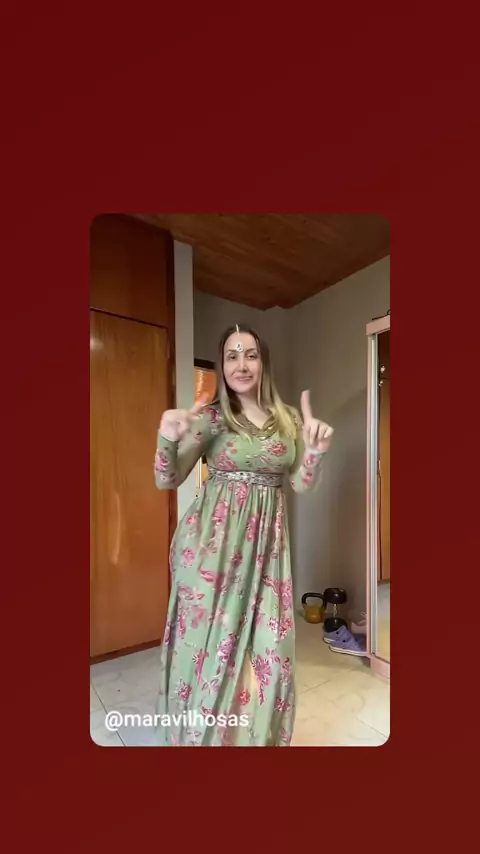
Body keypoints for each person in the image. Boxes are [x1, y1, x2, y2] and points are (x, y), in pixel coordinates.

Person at [153, 324, 333, 746]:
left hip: (268, 556)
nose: (241, 364)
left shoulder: (289, 420)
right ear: (222, 365)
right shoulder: (212, 419)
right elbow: (167, 478)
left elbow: (301, 484)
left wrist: (315, 452)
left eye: (250, 354)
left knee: (272, 657)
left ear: (263, 362)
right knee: (208, 654)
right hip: (211, 556)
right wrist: (167, 436)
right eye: (231, 356)